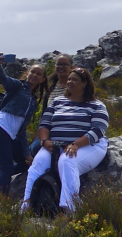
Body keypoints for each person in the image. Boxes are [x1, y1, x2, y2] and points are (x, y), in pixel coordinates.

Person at [22, 68, 109, 213]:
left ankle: (70, 207)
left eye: (74, 80)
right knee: (37, 165)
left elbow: (98, 130)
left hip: (88, 145)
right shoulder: (57, 102)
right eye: (69, 79)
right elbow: (44, 124)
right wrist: (44, 142)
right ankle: (26, 203)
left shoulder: (97, 105)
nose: (69, 82)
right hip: (55, 144)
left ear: (84, 83)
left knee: (67, 161)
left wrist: (76, 144)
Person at [0, 57, 42, 191]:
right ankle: (3, 203)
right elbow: (4, 79)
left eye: (39, 74)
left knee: (25, 164)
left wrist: (26, 153)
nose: (35, 75)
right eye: (33, 72)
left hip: (12, 135)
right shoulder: (18, 86)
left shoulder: (34, 102)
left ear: (43, 79)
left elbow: (22, 129)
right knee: (6, 167)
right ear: (28, 73)